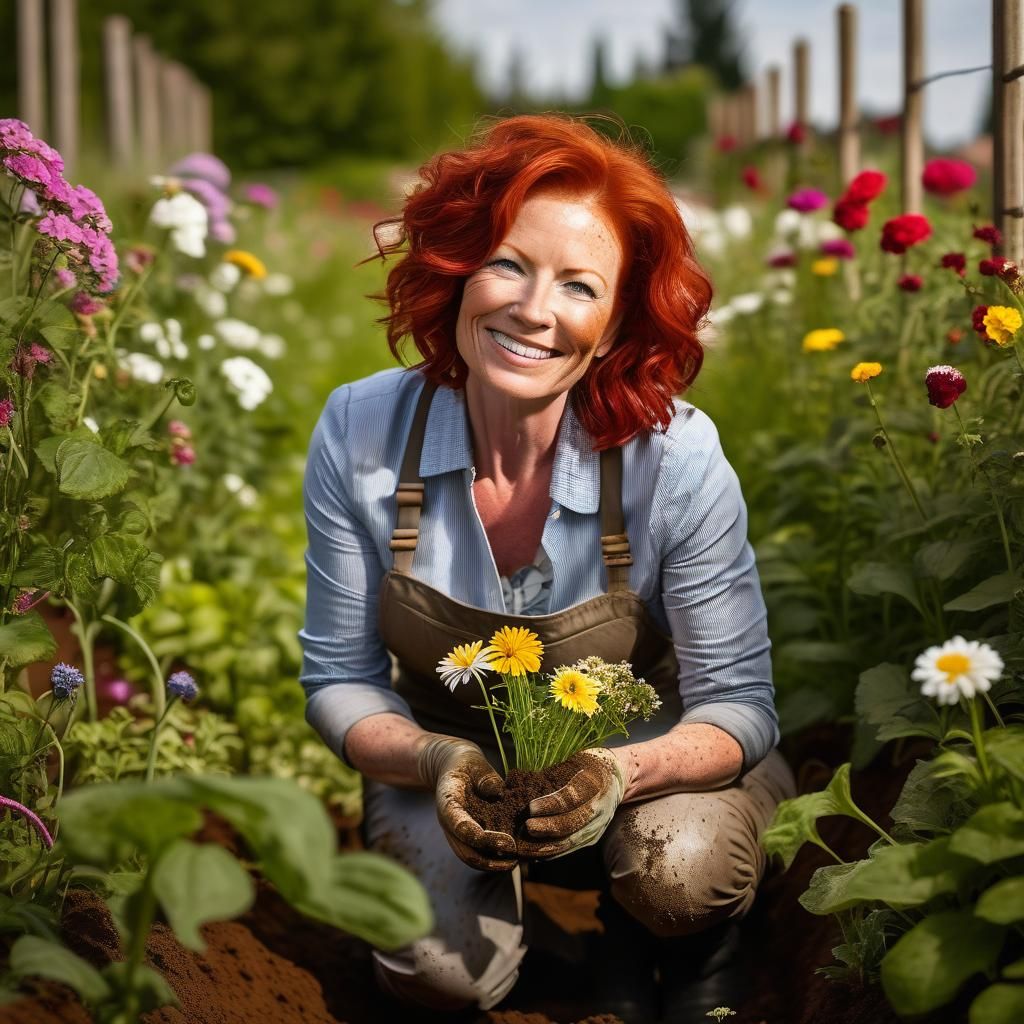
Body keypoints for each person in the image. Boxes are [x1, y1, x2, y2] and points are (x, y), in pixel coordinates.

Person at [299, 113, 795, 1022]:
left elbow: (740, 703)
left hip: (658, 760)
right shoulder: (364, 430)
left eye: (579, 285)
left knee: (677, 871)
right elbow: (338, 677)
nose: (535, 309)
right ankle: (568, 945)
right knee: (433, 980)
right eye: (508, 264)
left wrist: (620, 772)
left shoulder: (670, 457)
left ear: (609, 328)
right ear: (457, 275)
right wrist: (433, 755)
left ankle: (682, 938)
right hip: (457, 764)